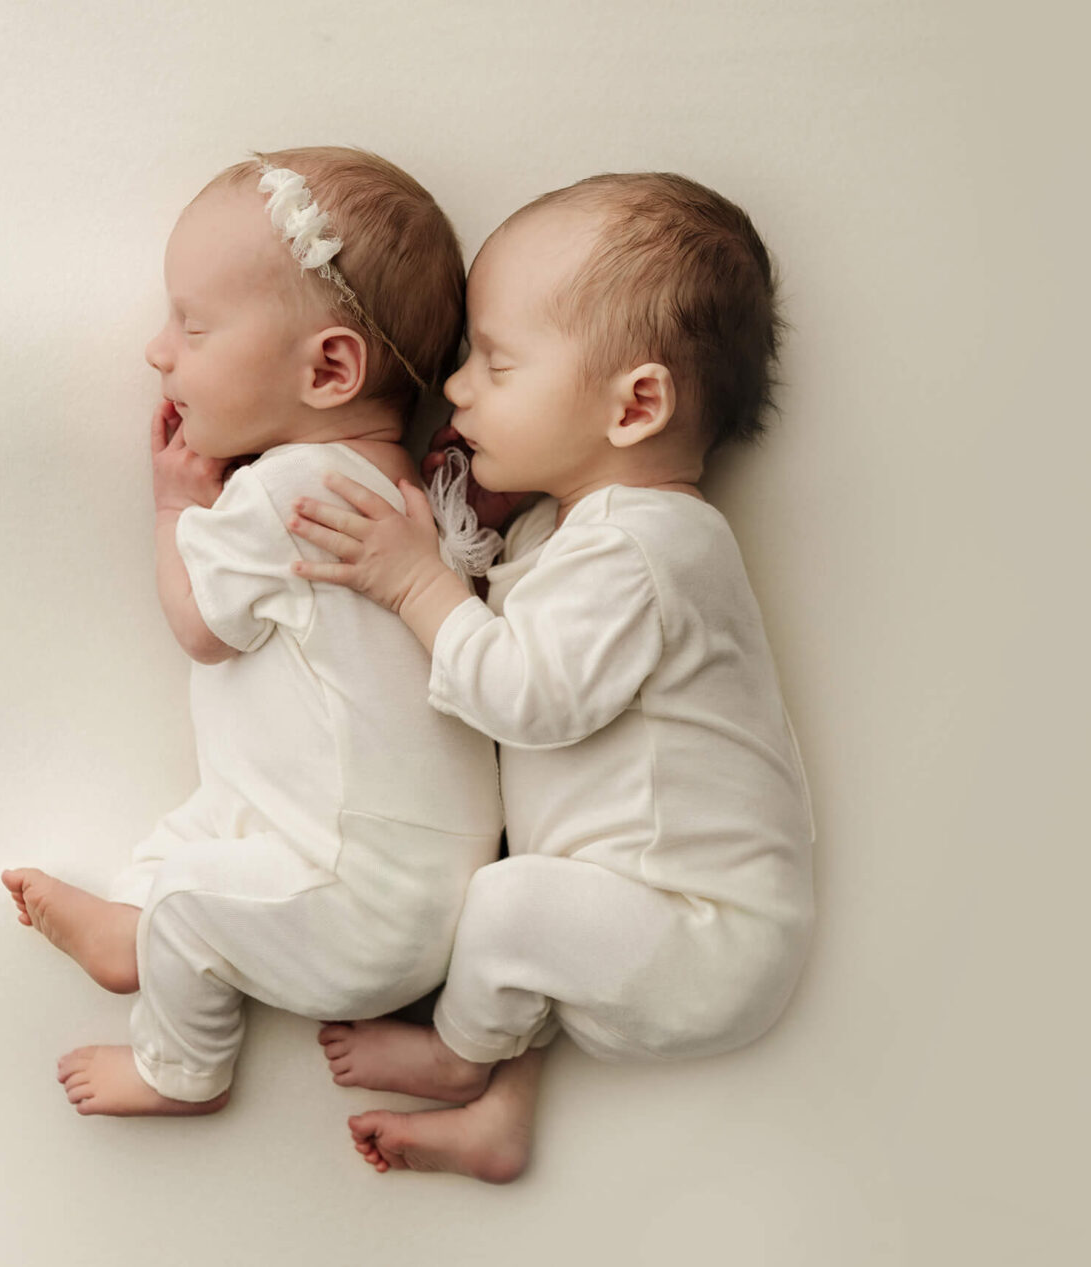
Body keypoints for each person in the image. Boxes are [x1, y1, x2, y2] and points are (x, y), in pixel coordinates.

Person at [287, 172, 815, 1179]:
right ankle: (502, 1116)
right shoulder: (569, 528)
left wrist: (415, 585)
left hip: (704, 934)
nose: (456, 388)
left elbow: (528, 699)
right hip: (635, 911)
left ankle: (458, 1053)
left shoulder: (645, 549)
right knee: (534, 906)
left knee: (510, 906)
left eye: (496, 362)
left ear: (636, 405)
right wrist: (469, 545)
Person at [2, 147, 501, 1116]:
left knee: (191, 891)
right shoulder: (409, 500)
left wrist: (170, 513)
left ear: (327, 369)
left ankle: (180, 1066)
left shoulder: (286, 489)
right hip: (405, 878)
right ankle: (132, 929)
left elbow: (201, 628)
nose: (158, 353)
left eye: (191, 327)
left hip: (356, 896)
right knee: (200, 831)